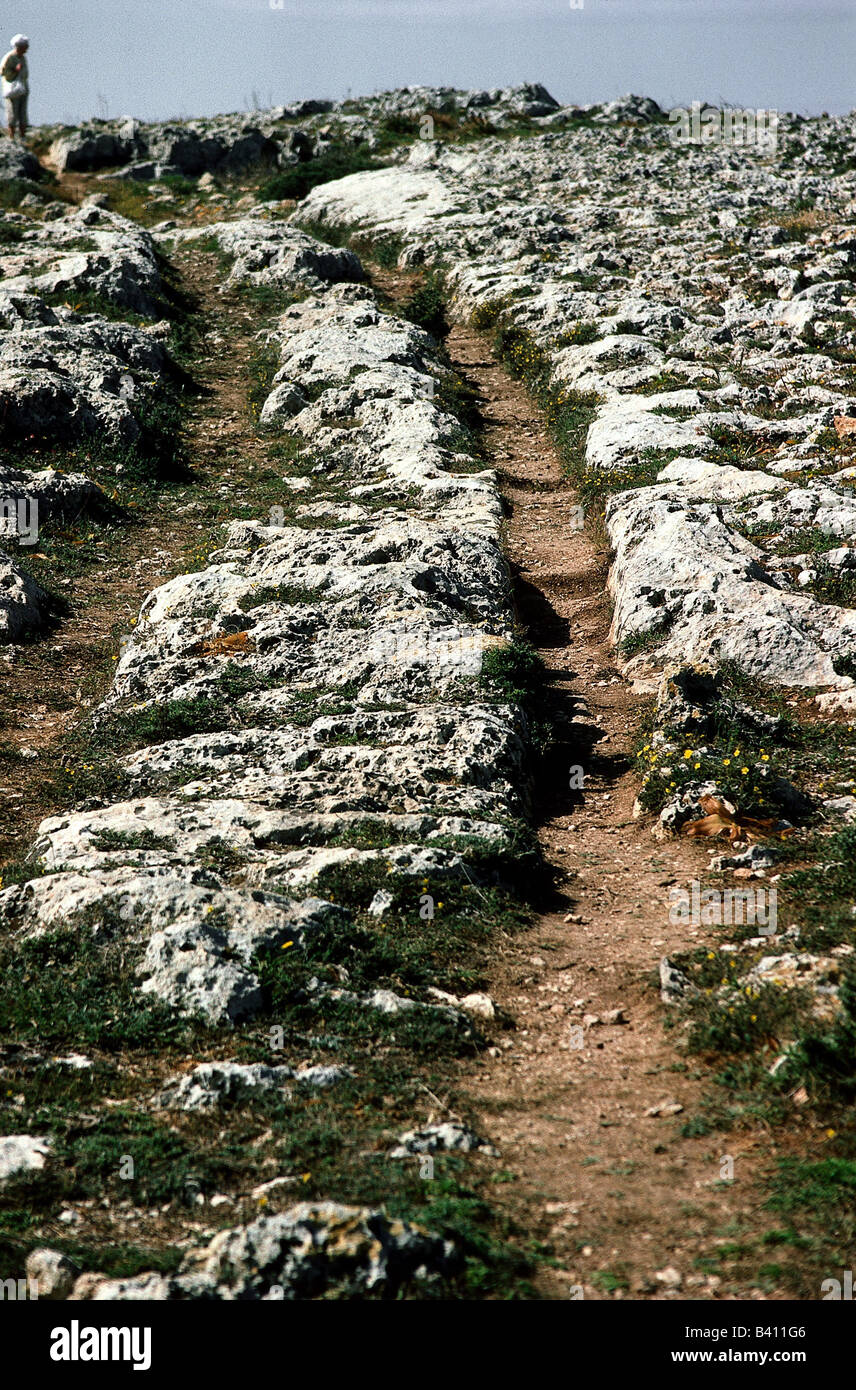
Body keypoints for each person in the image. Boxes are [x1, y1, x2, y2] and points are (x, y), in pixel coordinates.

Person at [1, 34, 29, 141]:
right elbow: (3, 71)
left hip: (22, 88)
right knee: (12, 113)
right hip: (12, 90)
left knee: (22, 113)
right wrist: (15, 70)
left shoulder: (23, 58)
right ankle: (12, 136)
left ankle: (23, 136)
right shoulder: (10, 57)